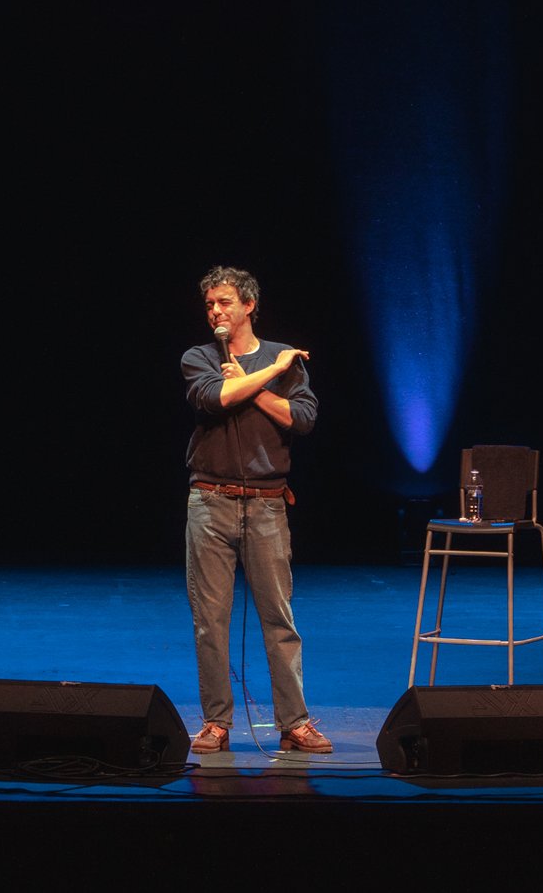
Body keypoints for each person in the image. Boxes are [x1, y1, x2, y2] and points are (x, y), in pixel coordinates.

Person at [179, 265, 331, 756]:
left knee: (279, 619)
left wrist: (258, 382)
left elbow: (303, 419)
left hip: (266, 506)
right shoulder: (199, 357)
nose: (216, 312)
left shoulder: (284, 360)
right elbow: (217, 397)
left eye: (224, 302)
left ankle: (295, 722)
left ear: (248, 305)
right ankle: (216, 724)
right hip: (210, 501)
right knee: (211, 620)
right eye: (209, 305)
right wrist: (271, 371)